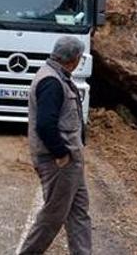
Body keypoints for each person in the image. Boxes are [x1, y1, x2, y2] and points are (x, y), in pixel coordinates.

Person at [19, 36, 91, 255]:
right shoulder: (51, 82)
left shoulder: (58, 76)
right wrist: (61, 154)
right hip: (59, 162)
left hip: (71, 161)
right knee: (53, 215)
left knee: (79, 212)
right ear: (74, 59)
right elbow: (45, 124)